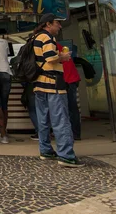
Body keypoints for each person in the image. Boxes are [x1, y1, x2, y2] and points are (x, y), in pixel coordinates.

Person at [32, 14, 84, 167]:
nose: (59, 26)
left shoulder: (35, 37)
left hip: (39, 84)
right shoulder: (47, 37)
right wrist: (63, 56)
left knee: (43, 120)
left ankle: (46, 150)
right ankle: (66, 155)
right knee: (61, 119)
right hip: (53, 84)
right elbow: (49, 57)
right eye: (57, 23)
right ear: (48, 24)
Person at [57, 43, 82, 141]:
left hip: (67, 80)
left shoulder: (50, 45)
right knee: (72, 107)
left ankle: (73, 133)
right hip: (70, 79)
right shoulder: (59, 46)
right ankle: (75, 133)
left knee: (69, 108)